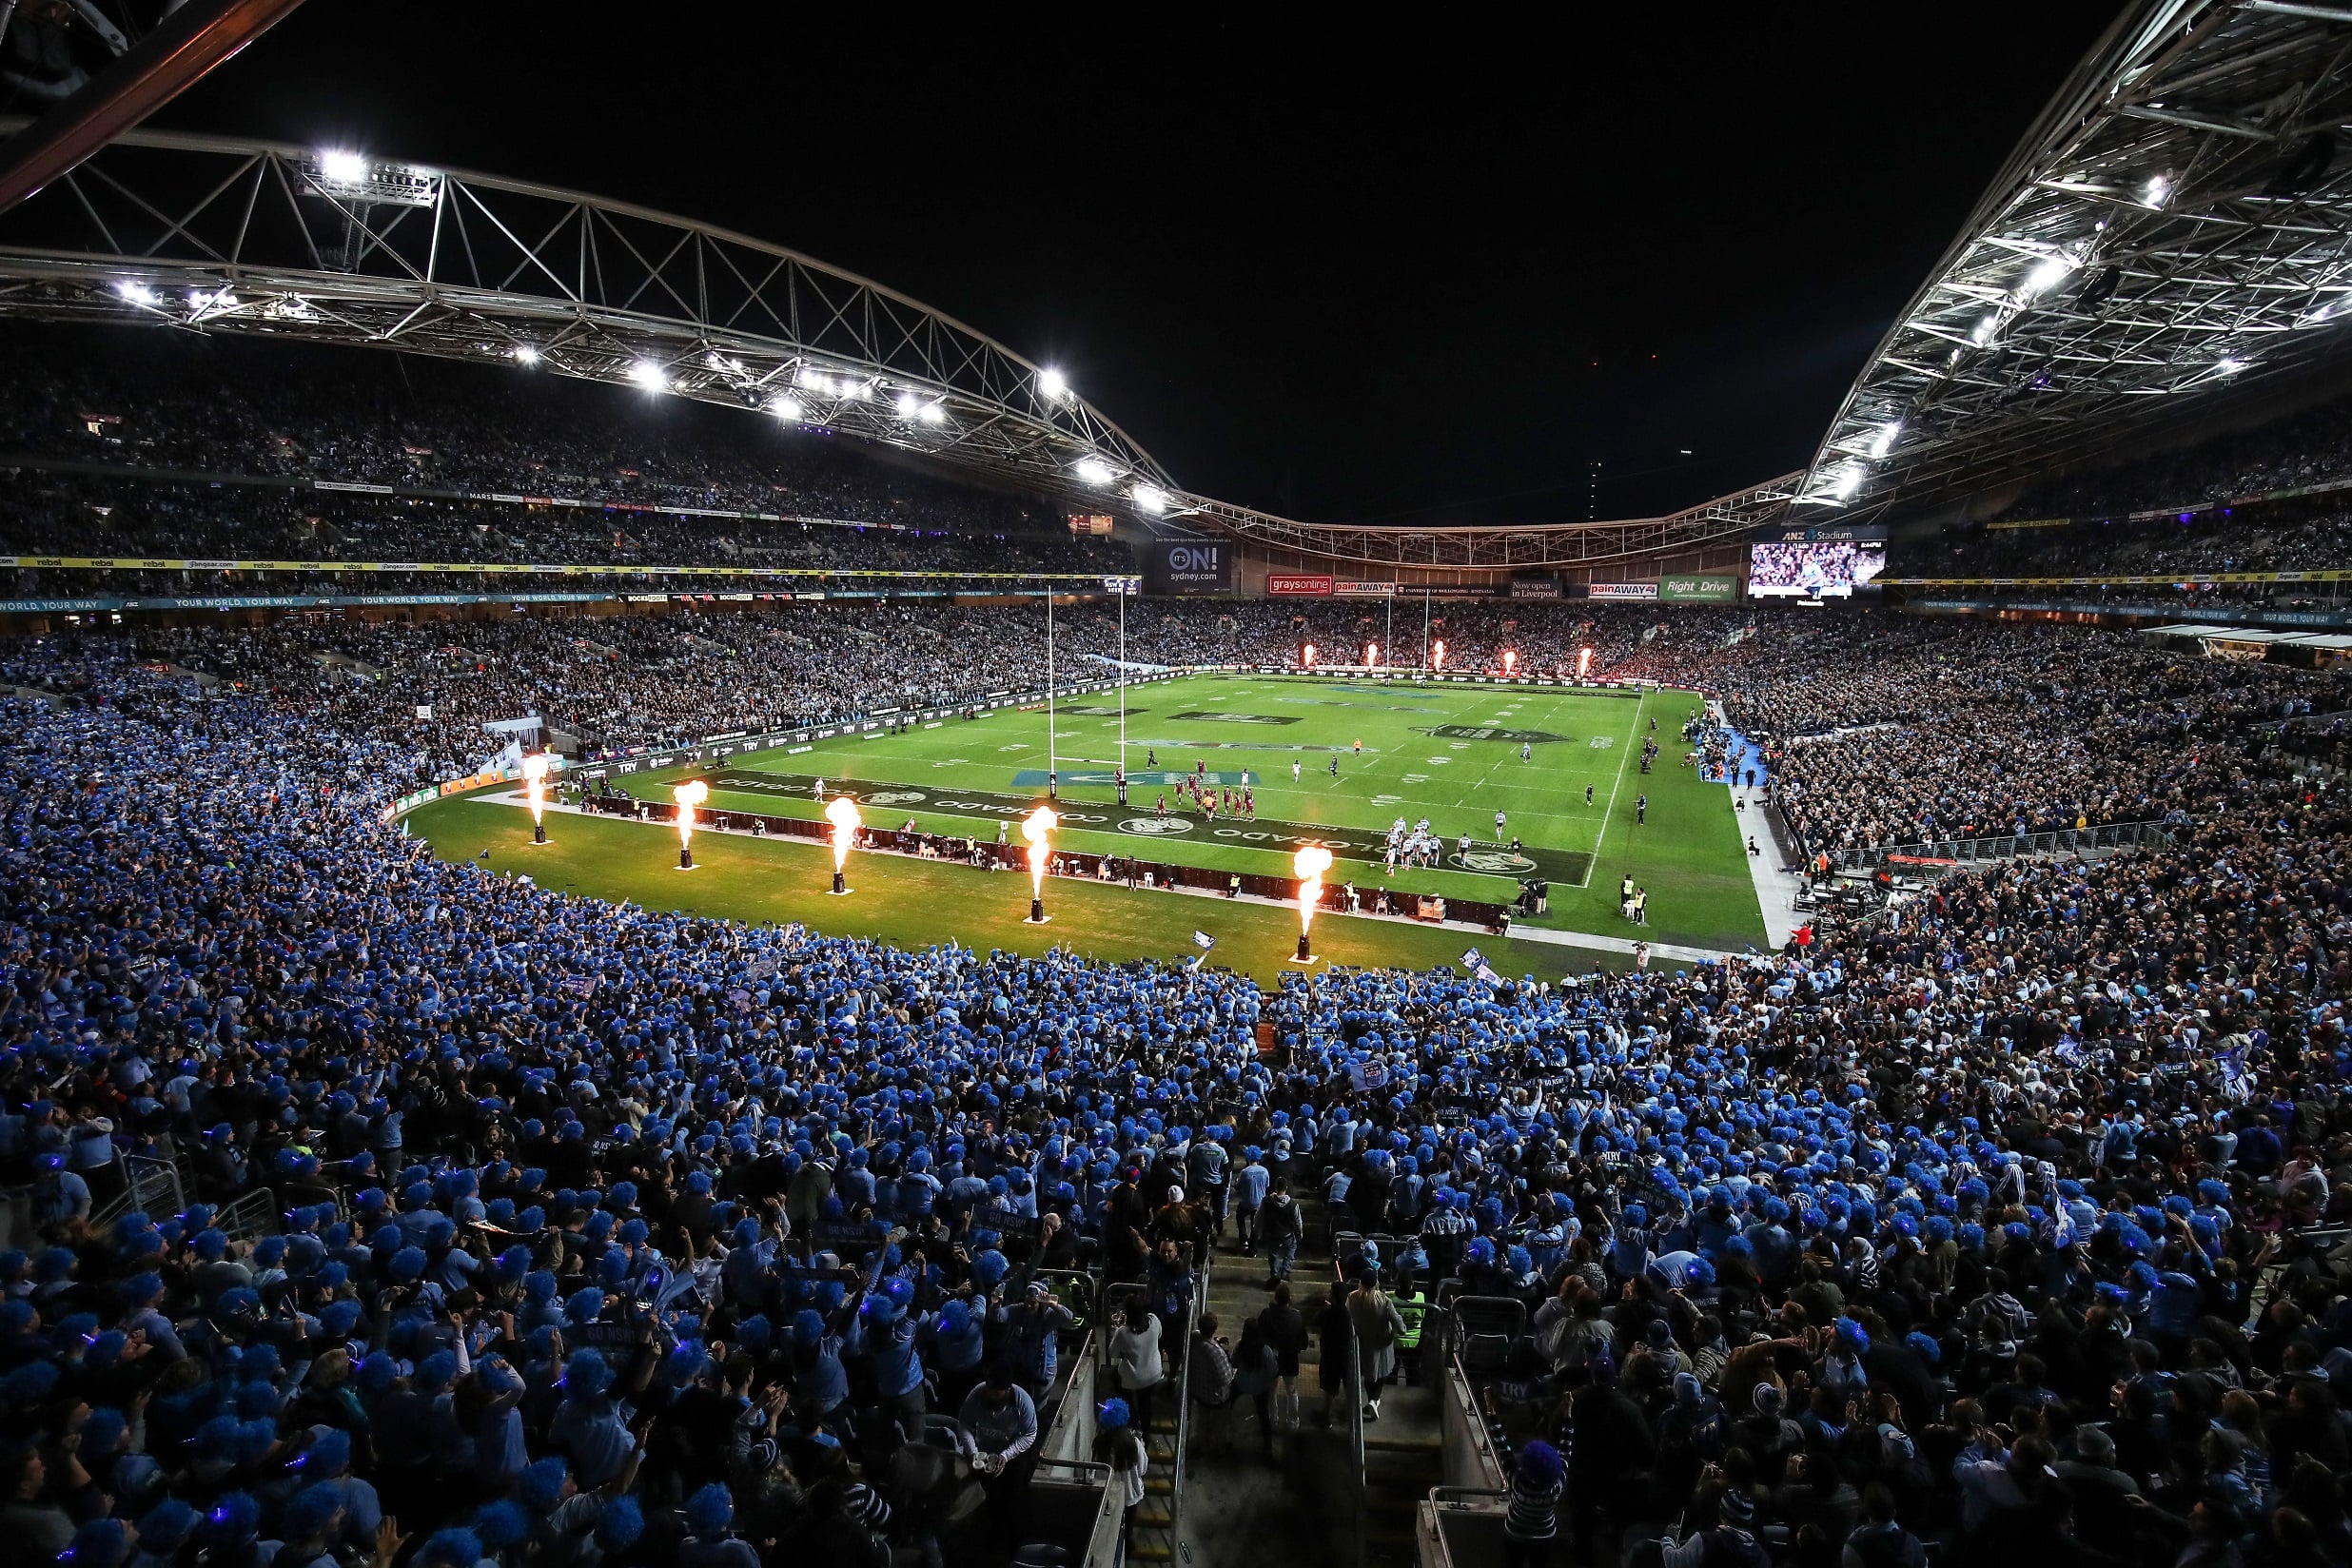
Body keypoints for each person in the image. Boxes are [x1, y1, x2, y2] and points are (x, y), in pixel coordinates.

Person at [1346, 1273, 1406, 1420]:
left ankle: (1372, 1400)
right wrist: (1402, 1329)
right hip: (1382, 1344)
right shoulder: (1384, 1301)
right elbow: (1397, 1321)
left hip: (1361, 1343)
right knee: (1383, 1372)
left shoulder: (1352, 1297)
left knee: (1368, 1372)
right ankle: (1374, 1400)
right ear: (1376, 1283)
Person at [1109, 1290, 1166, 1441]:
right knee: (1145, 1401)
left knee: (1116, 1377)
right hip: (1154, 1372)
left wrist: (1117, 1330)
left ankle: (1133, 1420)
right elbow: (1159, 1335)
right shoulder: (1153, 1320)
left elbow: (1112, 1352)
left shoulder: (1123, 1332)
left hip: (1135, 1377)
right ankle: (1146, 1434)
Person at [1501, 1441, 1565, 1568]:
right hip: (1545, 1536)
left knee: (1513, 1563)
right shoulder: (1557, 1486)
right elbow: (1565, 1454)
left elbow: (1504, 1451)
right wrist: (1569, 1426)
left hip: (1515, 1533)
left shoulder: (1517, 1482)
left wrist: (1493, 1423)